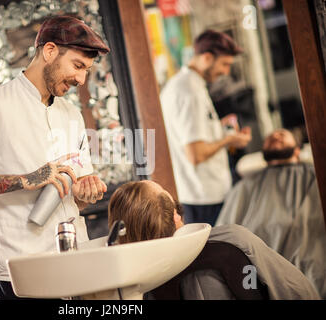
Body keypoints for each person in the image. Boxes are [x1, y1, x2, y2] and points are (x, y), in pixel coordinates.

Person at [0, 15, 110, 300]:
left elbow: (73, 199)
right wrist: (26, 179)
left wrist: (85, 193)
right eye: (77, 66)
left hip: (74, 263)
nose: (81, 79)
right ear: (49, 51)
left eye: (86, 70)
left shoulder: (72, 115)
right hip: (20, 275)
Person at [108, 180, 320, 299]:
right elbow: (298, 291)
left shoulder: (135, 284)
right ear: (175, 215)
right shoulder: (233, 239)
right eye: (163, 191)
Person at [215, 129, 326, 298]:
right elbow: (225, 231)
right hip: (256, 257)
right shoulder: (245, 186)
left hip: (303, 248)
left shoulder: (315, 175)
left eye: (282, 135)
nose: (275, 136)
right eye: (270, 137)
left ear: (297, 149)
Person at [160, 29, 252, 226]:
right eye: (224, 64)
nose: (226, 72)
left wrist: (218, 127)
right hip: (204, 197)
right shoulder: (189, 91)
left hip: (204, 193)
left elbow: (193, 134)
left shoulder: (187, 84)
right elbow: (196, 153)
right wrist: (229, 139)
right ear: (207, 57)